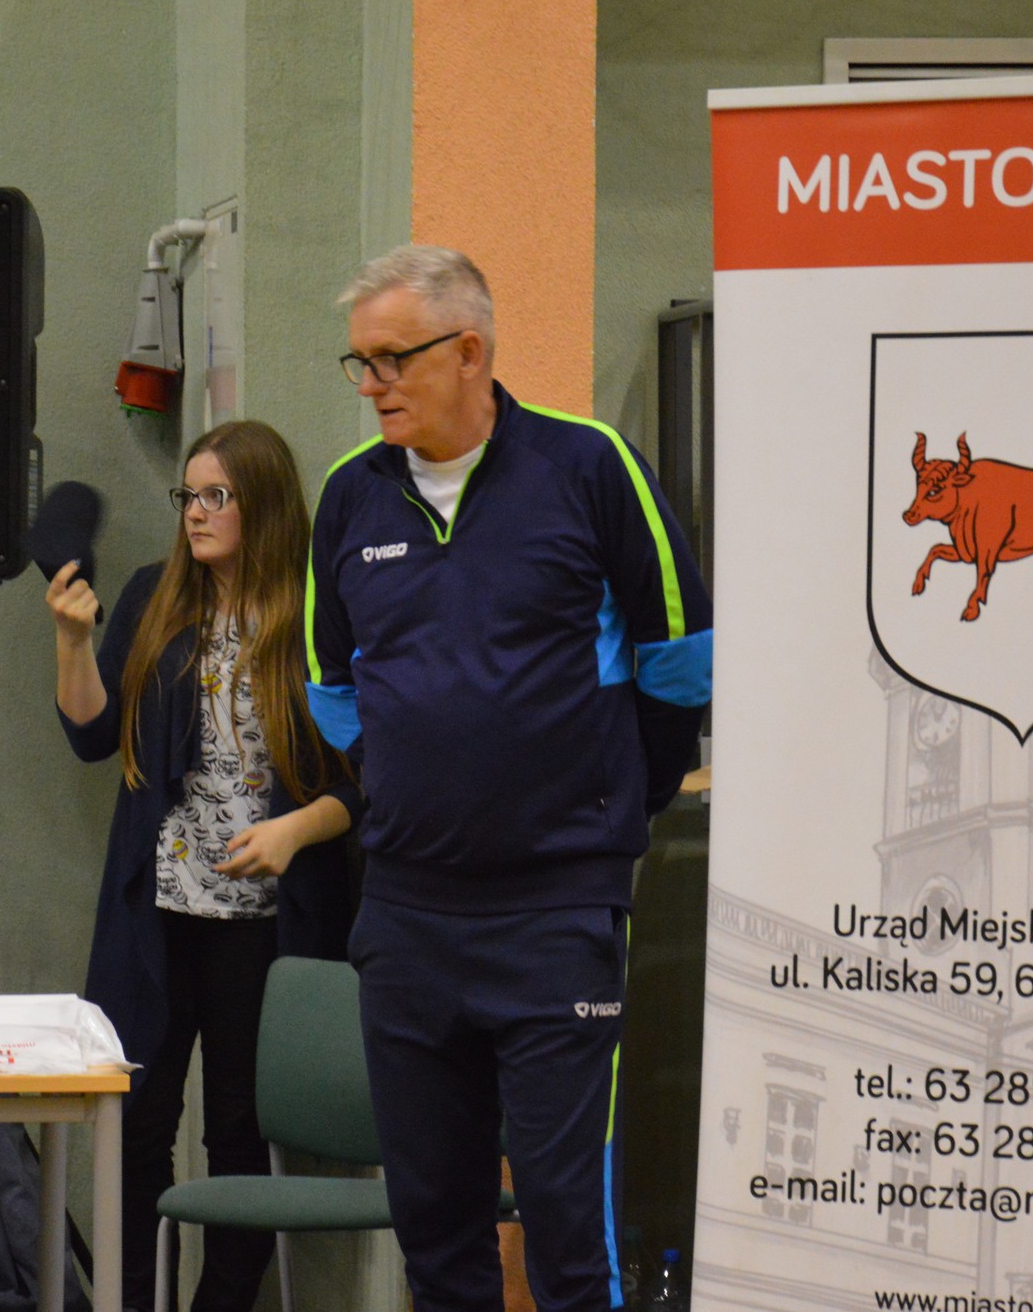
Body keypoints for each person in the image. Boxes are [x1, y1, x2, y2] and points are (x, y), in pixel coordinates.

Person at [305, 246, 712, 1312]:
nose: (372, 384)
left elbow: (679, 658)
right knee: (435, 1236)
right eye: (359, 362)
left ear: (469, 351)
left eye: (392, 359)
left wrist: (616, 800)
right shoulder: (349, 499)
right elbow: (331, 688)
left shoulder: (588, 466)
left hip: (555, 914)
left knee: (568, 1234)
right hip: (407, 916)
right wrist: (410, 787)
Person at [45, 419, 362, 1312]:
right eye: (188, 494)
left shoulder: (317, 615)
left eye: (217, 496)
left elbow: (369, 780)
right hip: (157, 910)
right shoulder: (154, 596)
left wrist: (295, 831)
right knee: (137, 1130)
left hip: (266, 926)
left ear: (263, 505)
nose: (196, 511)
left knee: (240, 1138)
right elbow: (91, 734)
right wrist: (72, 642)